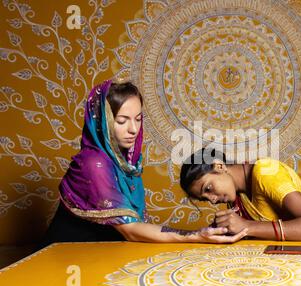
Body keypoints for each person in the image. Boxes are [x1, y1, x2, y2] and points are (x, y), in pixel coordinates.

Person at [38, 80, 247, 249]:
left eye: (138, 119)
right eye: (122, 121)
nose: (133, 129)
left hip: (104, 255)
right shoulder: (94, 164)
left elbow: (137, 228)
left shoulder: (127, 165)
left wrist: (197, 234)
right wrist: (194, 235)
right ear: (102, 122)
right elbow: (129, 230)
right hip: (69, 258)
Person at [179, 148, 301, 241]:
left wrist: (246, 226)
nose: (212, 200)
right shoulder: (236, 197)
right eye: (204, 199)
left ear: (219, 166)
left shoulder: (266, 173)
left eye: (208, 188)